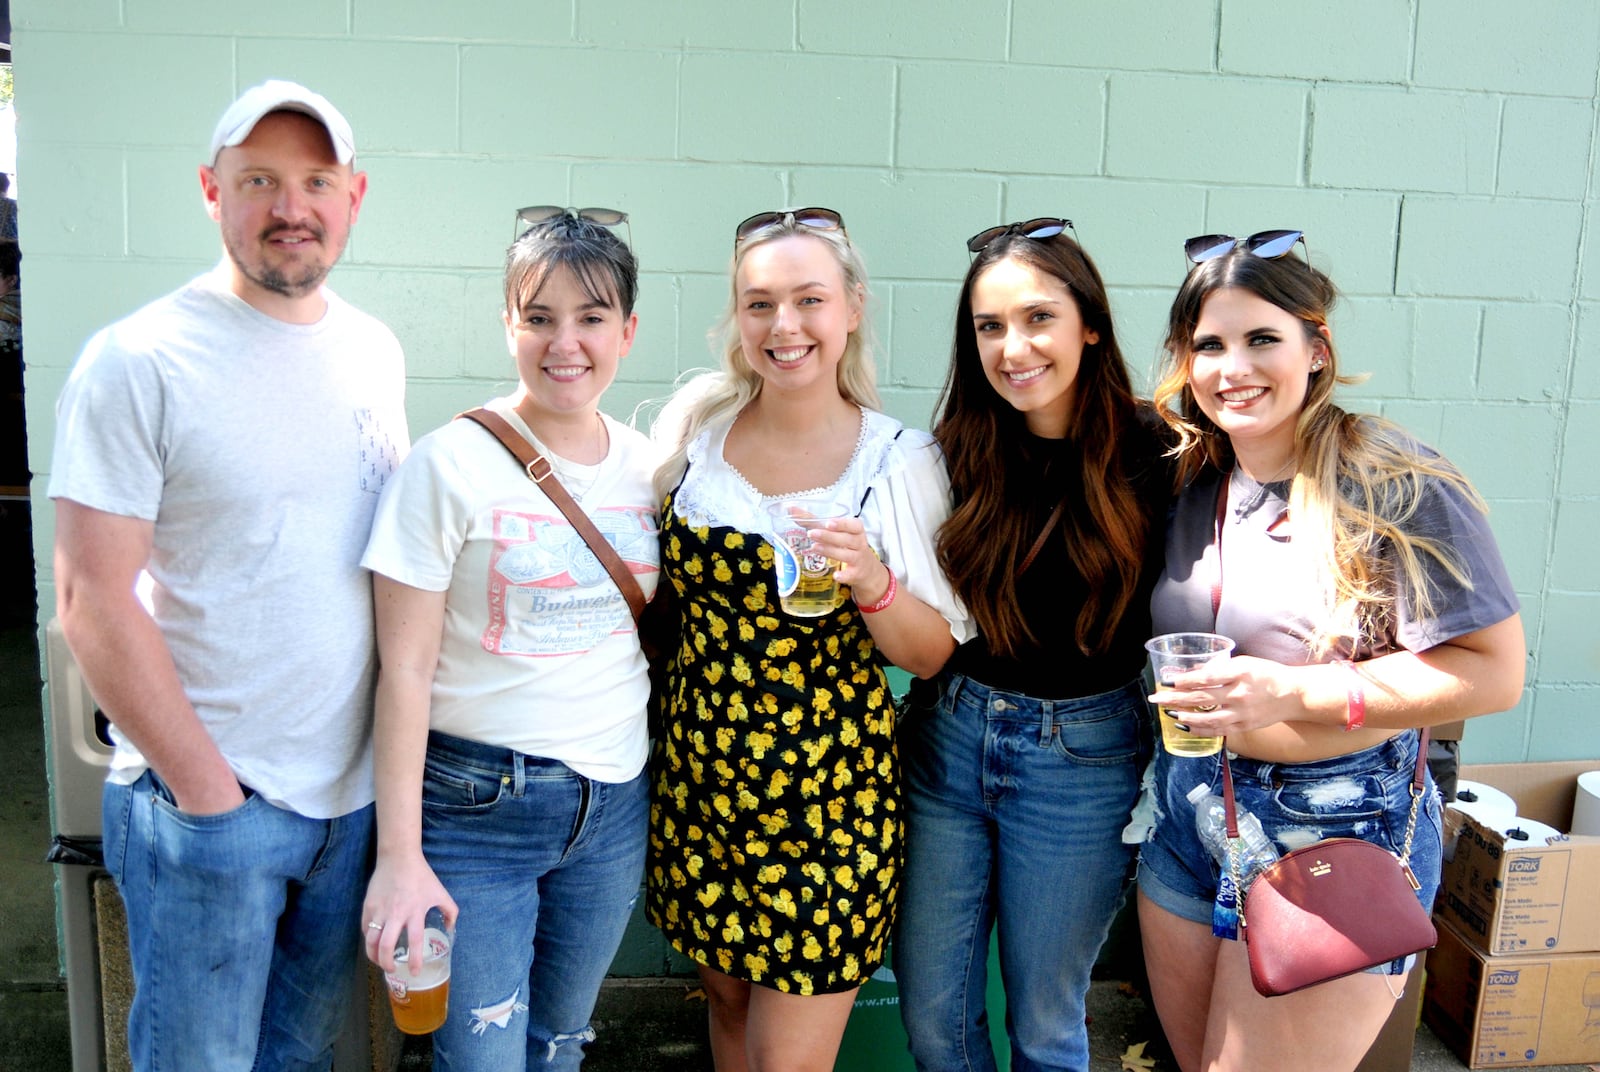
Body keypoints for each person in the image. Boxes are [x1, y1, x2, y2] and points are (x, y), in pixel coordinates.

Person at [49, 80, 408, 1071]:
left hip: (345, 810)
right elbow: (89, 598)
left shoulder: (372, 350)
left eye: (314, 180)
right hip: (213, 813)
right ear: (212, 192)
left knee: (297, 1059)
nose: (291, 205)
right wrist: (212, 798)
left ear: (354, 196)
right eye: (259, 180)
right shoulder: (139, 360)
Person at [1136, 230, 1525, 1072]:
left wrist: (1300, 693)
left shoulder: (1395, 482)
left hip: (1335, 833)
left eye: (1261, 338)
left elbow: (1495, 673)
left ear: (1317, 348)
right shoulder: (1194, 474)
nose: (1233, 366)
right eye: (1209, 344)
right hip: (1192, 817)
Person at [645, 208, 969, 1072]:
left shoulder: (899, 462)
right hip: (700, 793)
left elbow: (932, 655)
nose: (783, 327)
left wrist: (873, 583)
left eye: (808, 300)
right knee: (726, 1005)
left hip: (823, 808)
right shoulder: (691, 443)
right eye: (759, 304)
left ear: (852, 309)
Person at [359, 206, 658, 1070]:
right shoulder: (447, 466)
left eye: (592, 318)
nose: (566, 343)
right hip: (474, 807)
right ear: (508, 327)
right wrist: (400, 857)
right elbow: (403, 671)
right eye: (539, 318)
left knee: (560, 1041)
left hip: (611, 805)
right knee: (483, 1059)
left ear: (627, 331)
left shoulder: (648, 467)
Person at [894, 219, 1167, 1072]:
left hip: (1083, 759)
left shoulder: (1164, 451)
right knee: (936, 1020)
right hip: (950, 740)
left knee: (1045, 1026)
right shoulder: (951, 453)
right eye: (989, 326)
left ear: (1091, 323)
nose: (1013, 348)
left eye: (1038, 318)